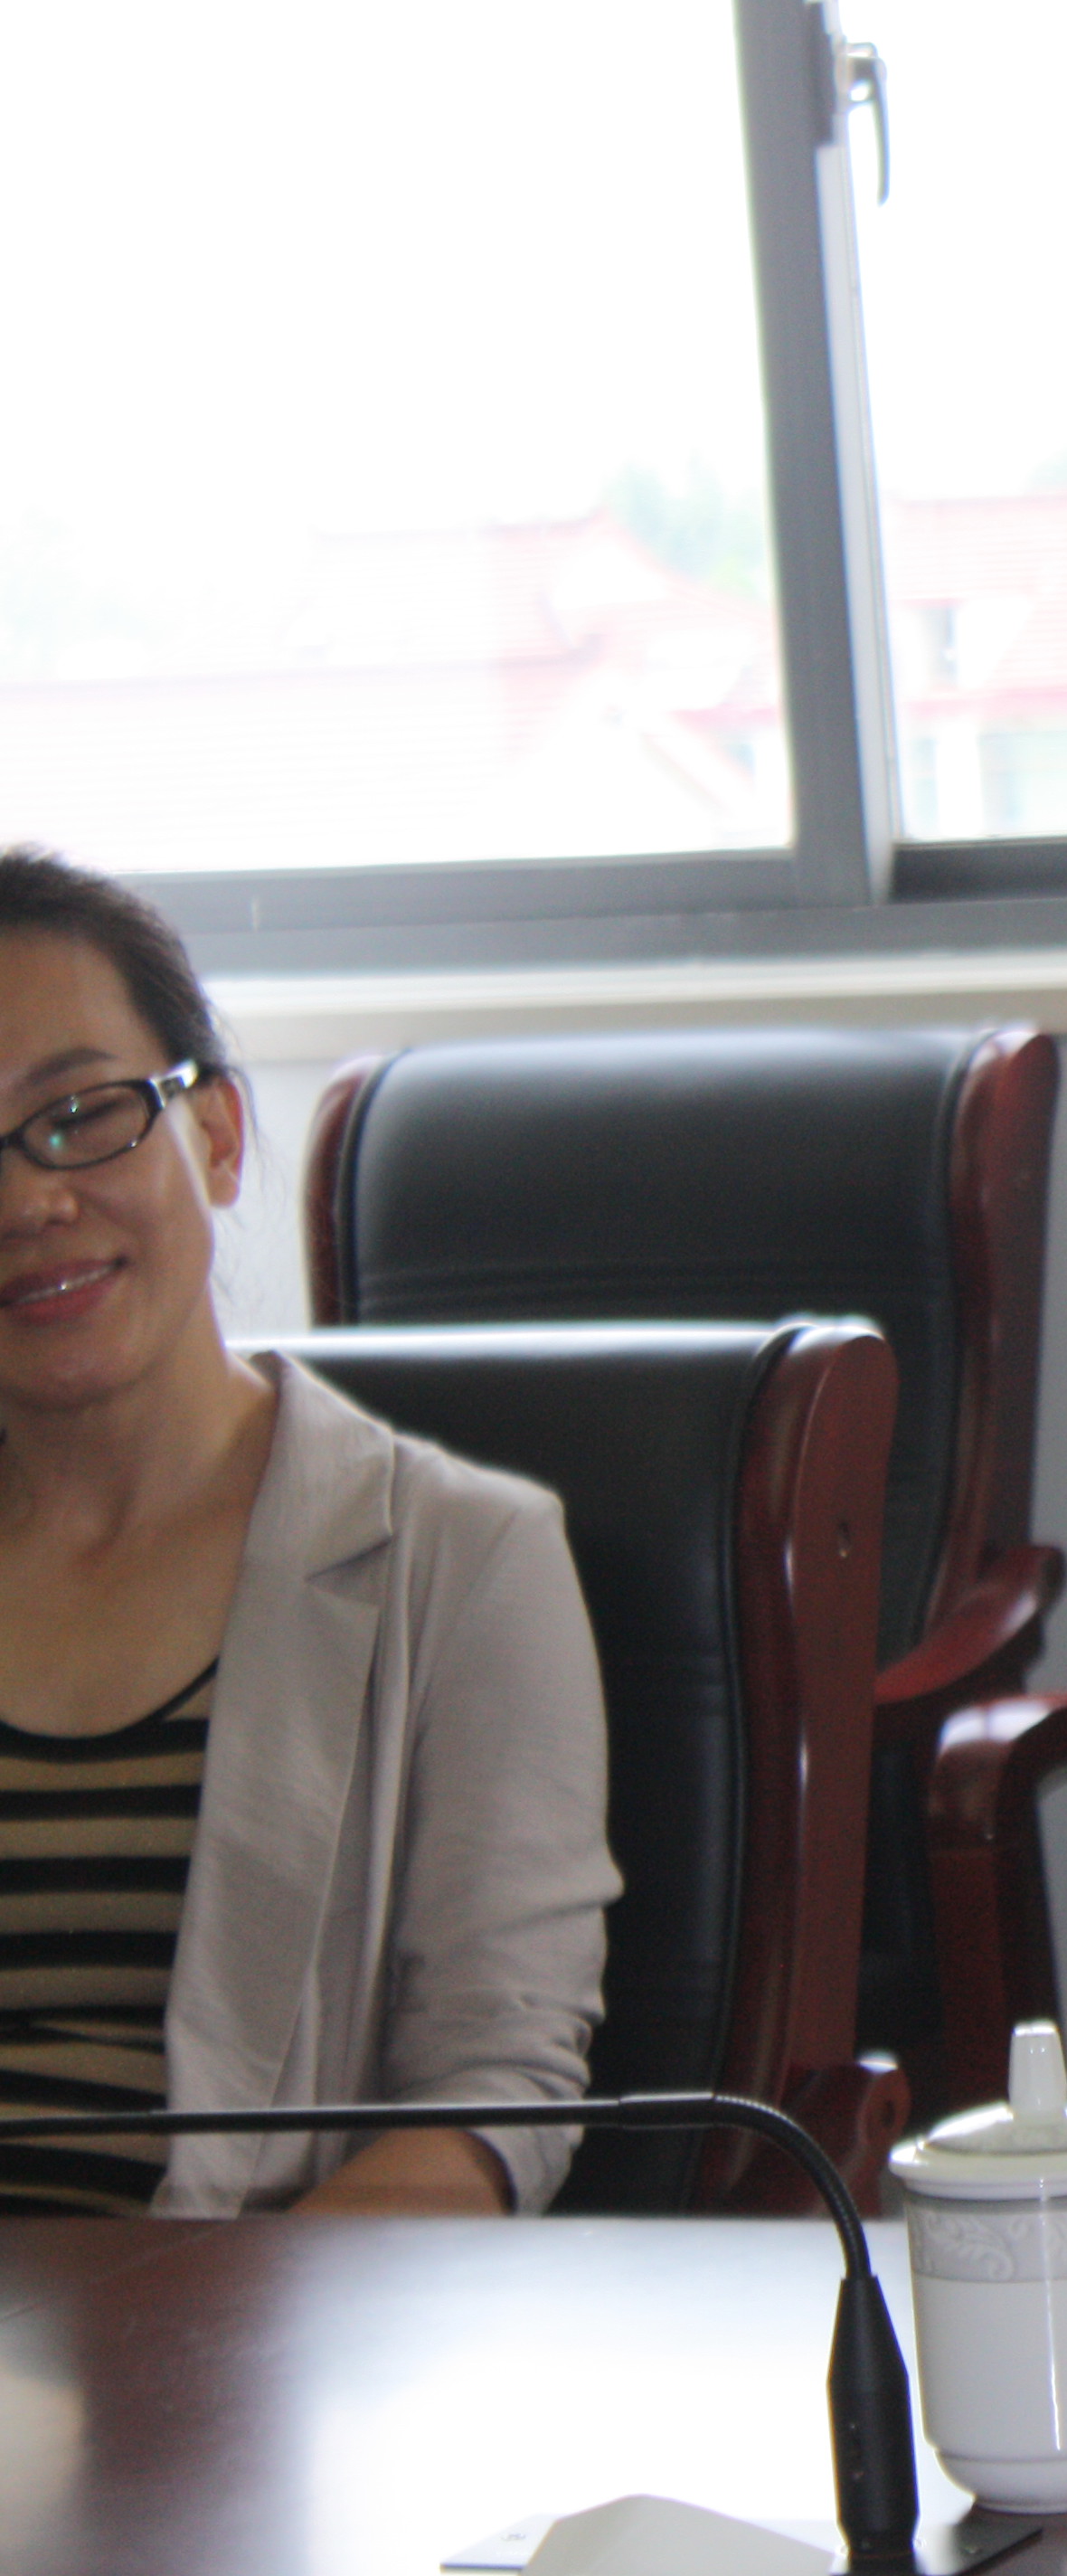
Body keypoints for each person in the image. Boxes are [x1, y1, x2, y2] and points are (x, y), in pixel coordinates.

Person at [0, 846, 615, 2217]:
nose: (27, 1201)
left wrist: (209, 2336)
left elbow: (498, 2099)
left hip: (220, 2315)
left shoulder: (464, 1560)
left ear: (217, 1137)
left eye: (81, 1116)